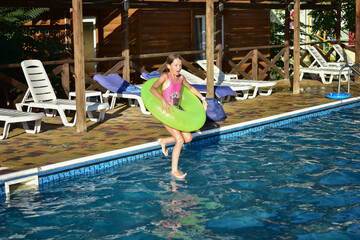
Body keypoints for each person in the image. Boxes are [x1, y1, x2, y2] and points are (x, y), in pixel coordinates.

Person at [150, 54, 208, 179]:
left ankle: (164, 141)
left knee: (188, 138)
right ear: (168, 66)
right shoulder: (165, 76)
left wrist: (202, 98)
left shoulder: (181, 78)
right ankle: (174, 171)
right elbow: (153, 89)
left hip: (177, 114)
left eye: (180, 65)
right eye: (175, 65)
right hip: (167, 114)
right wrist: (163, 100)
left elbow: (191, 87)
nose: (178, 68)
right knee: (180, 140)